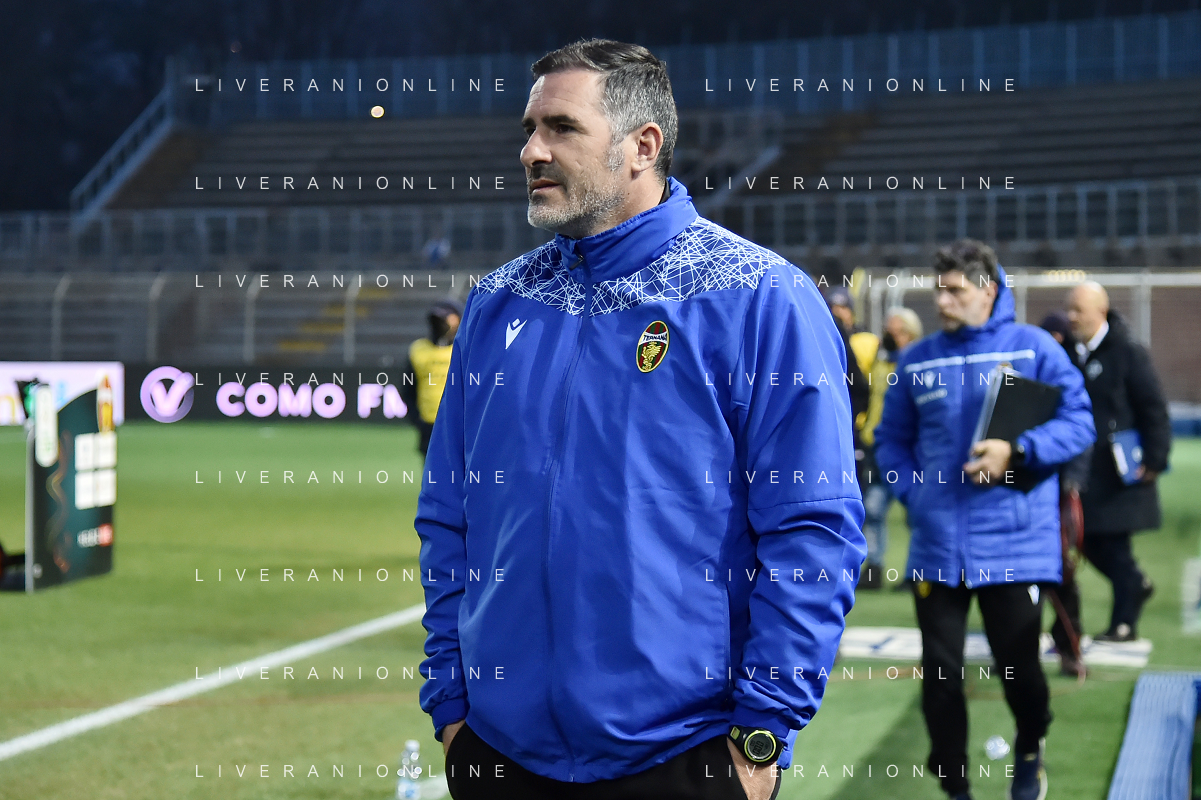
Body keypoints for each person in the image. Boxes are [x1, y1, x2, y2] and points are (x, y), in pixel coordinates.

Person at [415, 39, 866, 800]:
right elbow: (447, 515)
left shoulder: (758, 295)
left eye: (561, 128)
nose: (531, 151)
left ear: (642, 146)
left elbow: (812, 528)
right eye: (529, 130)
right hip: (498, 751)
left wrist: (762, 733)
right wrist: (452, 704)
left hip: (684, 754)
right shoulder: (496, 303)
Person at [873, 240, 1094, 800]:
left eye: (955, 290)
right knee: (941, 677)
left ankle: (1030, 746)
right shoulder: (917, 360)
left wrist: (1018, 451)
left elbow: (1079, 422)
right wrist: (915, 497)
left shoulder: (1034, 348)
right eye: (939, 290)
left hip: (1015, 544)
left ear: (988, 290)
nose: (942, 301)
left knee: (1020, 669)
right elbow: (889, 443)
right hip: (937, 546)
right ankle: (956, 787)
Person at [1066, 281, 1171, 642]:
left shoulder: (1128, 352)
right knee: (1087, 540)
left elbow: (1153, 407)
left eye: (1078, 310)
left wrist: (1155, 458)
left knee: (1113, 544)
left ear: (1100, 311)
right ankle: (1135, 586)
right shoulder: (1069, 352)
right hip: (1084, 470)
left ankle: (1124, 622)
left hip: (1119, 470)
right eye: (1069, 309)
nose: (1071, 317)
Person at [1038, 311, 1092, 678]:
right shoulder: (1021, 376)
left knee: (1063, 574)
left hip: (1059, 493)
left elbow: (1080, 433)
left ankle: (1070, 646)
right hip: (1023, 491)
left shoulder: (1071, 377)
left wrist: (1073, 480)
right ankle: (1013, 650)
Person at [858, 306, 923, 589]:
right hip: (877, 444)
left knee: (914, 512)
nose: (891, 335)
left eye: (898, 331)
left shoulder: (919, 362)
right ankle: (874, 567)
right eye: (889, 330)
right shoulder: (880, 360)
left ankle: (917, 571)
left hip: (911, 448)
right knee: (872, 508)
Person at [401, 300, 462, 455]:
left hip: (459, 424)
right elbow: (408, 389)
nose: (441, 324)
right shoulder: (419, 350)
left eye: (445, 318)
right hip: (429, 424)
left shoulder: (464, 348)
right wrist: (417, 420)